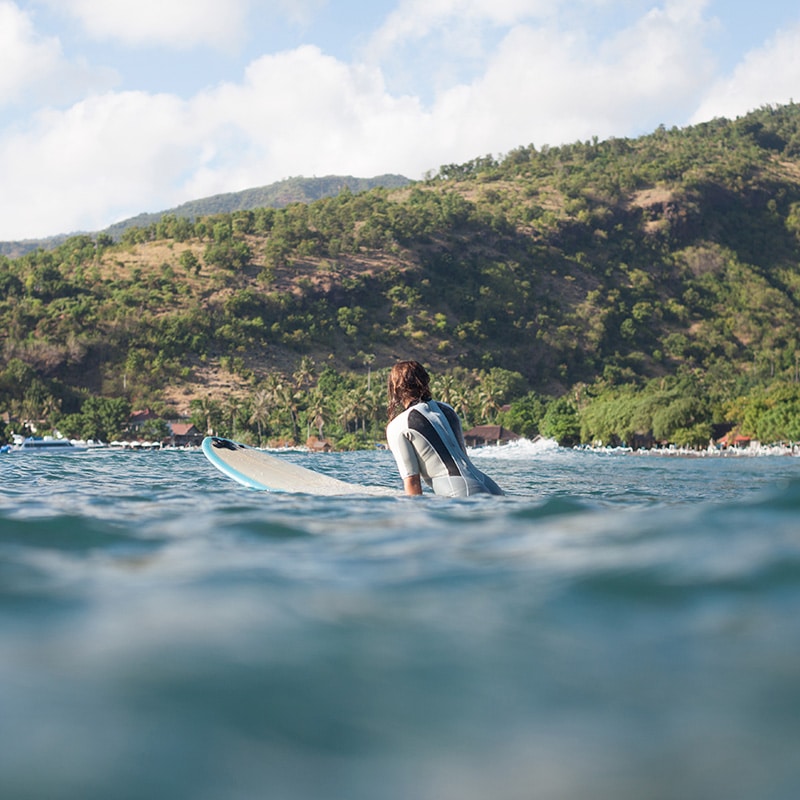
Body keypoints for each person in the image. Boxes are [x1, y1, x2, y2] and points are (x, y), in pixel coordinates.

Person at [386, 360, 504, 497]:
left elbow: (412, 482)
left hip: (458, 489)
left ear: (395, 388)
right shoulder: (448, 410)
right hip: (489, 485)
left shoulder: (398, 425)